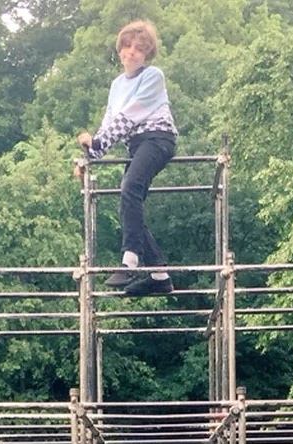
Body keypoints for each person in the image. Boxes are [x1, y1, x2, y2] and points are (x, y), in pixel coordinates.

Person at [76, 19, 177, 298]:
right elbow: (109, 122)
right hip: (136, 146)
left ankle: (130, 260)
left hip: (158, 139)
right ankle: (159, 275)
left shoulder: (153, 76)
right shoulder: (116, 85)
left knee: (129, 188)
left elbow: (129, 116)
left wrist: (97, 144)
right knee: (128, 204)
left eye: (139, 49)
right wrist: (88, 157)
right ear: (120, 49)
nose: (131, 52)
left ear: (147, 55)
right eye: (127, 46)